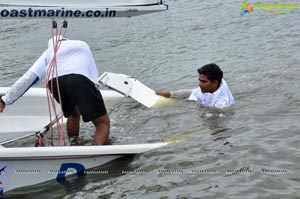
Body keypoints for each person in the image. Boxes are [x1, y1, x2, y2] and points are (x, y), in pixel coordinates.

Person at [0, 36, 109, 145]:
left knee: (73, 114)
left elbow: (29, 77)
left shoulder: (49, 52)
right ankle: (96, 153)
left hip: (54, 82)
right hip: (78, 78)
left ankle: (74, 144)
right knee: (102, 123)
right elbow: (90, 71)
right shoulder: (82, 44)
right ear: (67, 39)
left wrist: (5, 100)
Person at [156, 63, 234, 109]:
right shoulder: (213, 85)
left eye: (203, 81)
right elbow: (191, 92)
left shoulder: (221, 104)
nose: (199, 84)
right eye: (199, 80)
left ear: (215, 82)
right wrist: (164, 94)